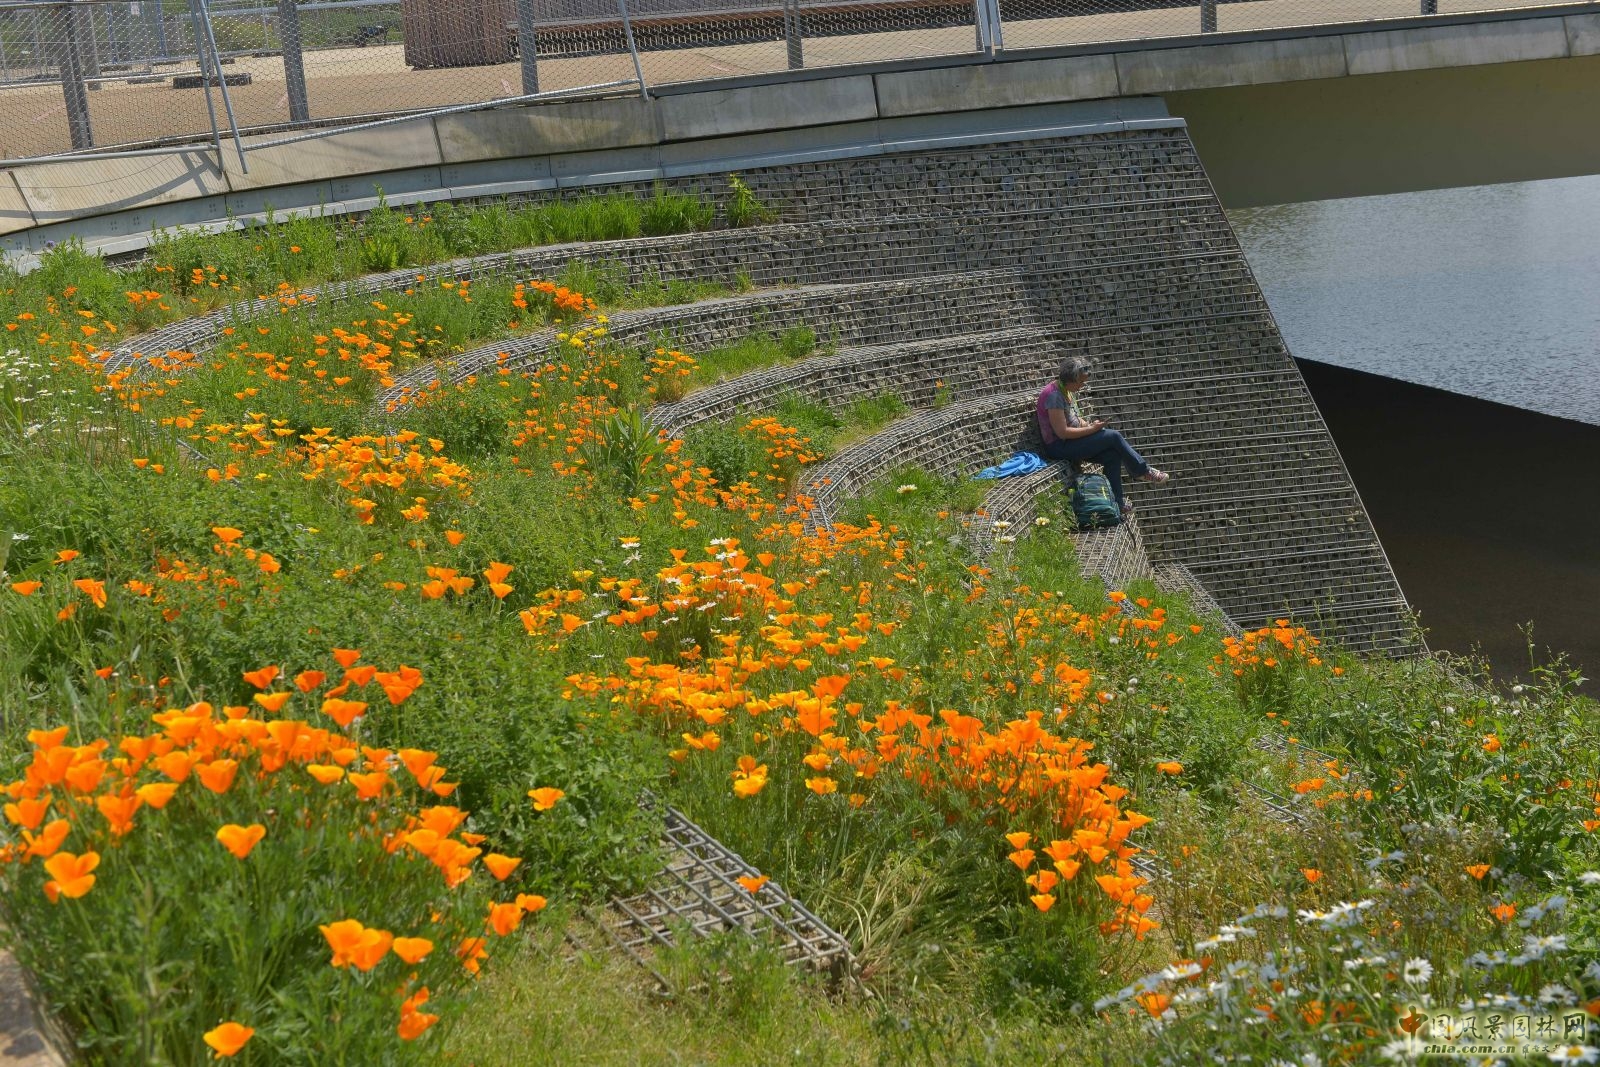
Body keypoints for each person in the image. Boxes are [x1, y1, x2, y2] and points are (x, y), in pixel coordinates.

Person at [1036, 356, 1169, 515]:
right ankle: (1142, 471)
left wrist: (1089, 425)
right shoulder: (1054, 396)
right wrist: (1093, 430)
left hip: (1071, 442)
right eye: (1081, 382)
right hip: (1059, 446)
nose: (1082, 386)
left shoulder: (1066, 390)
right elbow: (1062, 432)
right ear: (1070, 379)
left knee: (1112, 455)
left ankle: (1116, 504)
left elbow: (1073, 418)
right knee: (1113, 437)